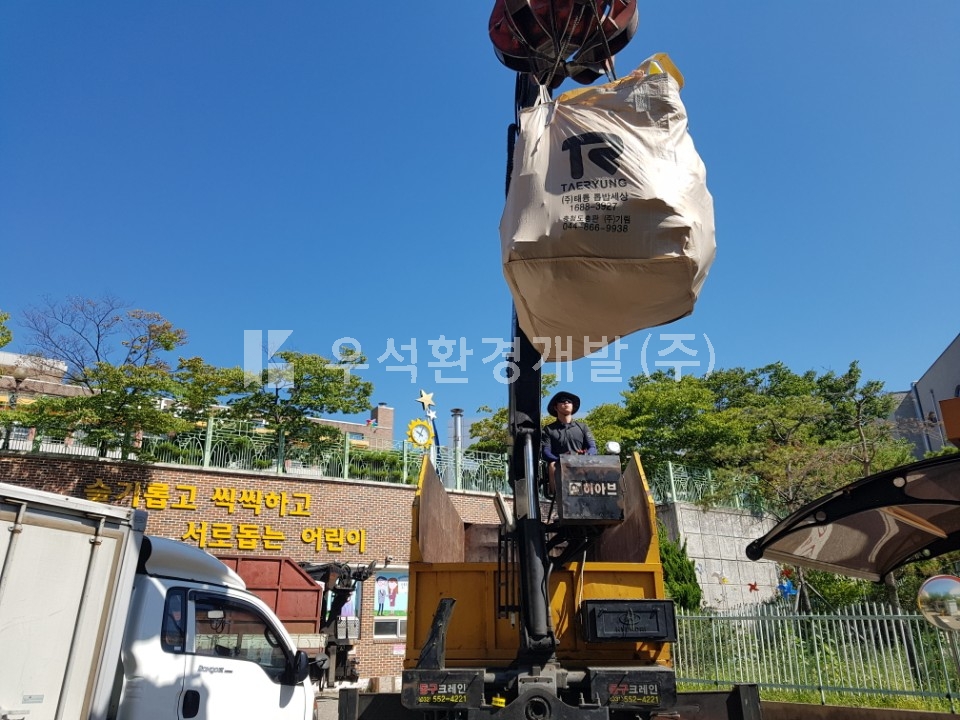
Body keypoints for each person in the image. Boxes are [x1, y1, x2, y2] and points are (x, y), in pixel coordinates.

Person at [541, 391, 597, 494]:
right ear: (555, 407)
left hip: (582, 463)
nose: (566, 402)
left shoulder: (583, 427)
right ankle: (558, 496)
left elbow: (592, 447)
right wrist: (561, 459)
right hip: (560, 465)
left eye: (569, 401)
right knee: (552, 465)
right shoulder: (549, 429)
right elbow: (546, 452)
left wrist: (586, 455)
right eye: (562, 401)